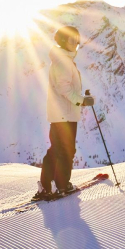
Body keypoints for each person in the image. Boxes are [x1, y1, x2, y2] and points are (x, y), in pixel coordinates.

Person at [35, 25, 94, 200]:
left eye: (77, 39)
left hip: (62, 113)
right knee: (65, 150)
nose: (75, 43)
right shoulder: (63, 62)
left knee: (57, 150)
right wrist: (82, 100)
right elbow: (64, 90)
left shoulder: (63, 60)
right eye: (71, 39)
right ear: (62, 40)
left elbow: (65, 89)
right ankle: (61, 185)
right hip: (64, 115)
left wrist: (81, 99)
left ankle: (48, 186)